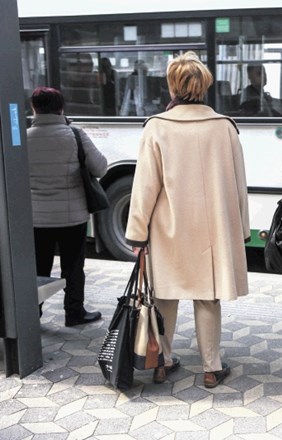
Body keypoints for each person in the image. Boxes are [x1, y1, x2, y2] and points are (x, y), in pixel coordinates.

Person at [125, 51, 250, 387]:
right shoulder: (224, 127)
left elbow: (144, 188)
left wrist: (137, 234)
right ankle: (211, 367)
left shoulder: (156, 128)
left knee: (164, 294)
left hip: (168, 228)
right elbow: (239, 184)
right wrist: (241, 230)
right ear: (204, 85)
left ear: (172, 87)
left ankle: (162, 362)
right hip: (211, 232)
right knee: (207, 296)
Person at [27, 87, 107, 326]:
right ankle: (74, 312)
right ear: (61, 108)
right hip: (73, 217)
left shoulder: (23, 138)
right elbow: (100, 168)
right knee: (73, 266)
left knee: (39, 268)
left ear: (34, 109)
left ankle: (33, 315)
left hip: (37, 218)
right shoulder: (75, 134)